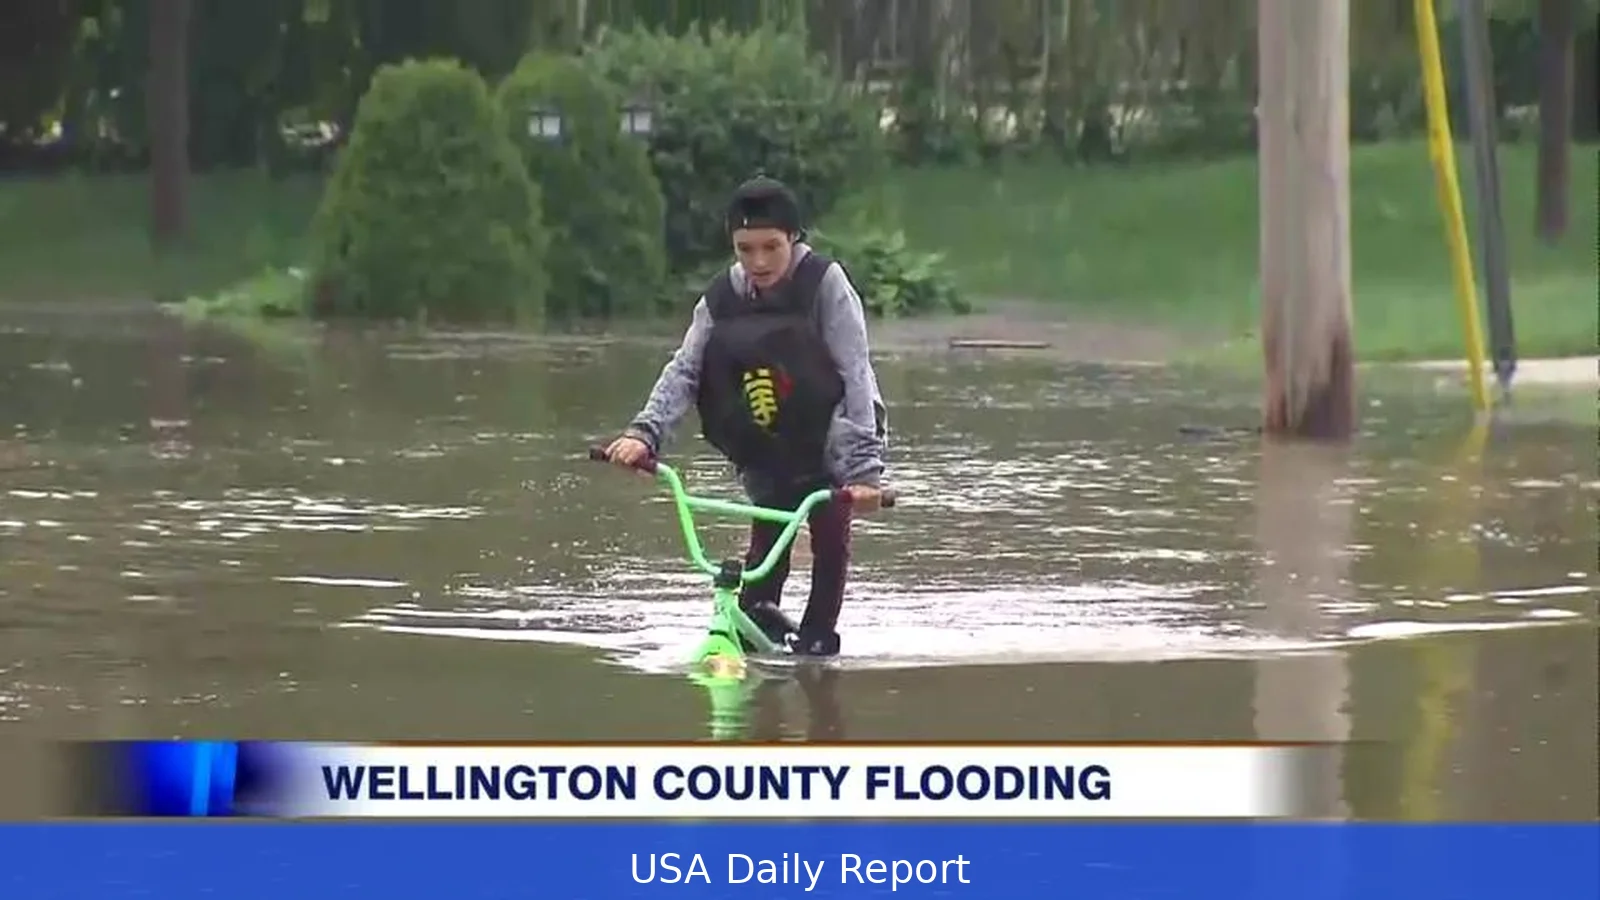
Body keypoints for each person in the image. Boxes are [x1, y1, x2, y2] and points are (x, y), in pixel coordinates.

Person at [602, 176, 888, 657]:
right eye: (745, 249)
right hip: (766, 438)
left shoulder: (825, 284)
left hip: (832, 441)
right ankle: (757, 645)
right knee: (763, 557)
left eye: (771, 247)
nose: (758, 262)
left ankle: (820, 648)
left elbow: (856, 374)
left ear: (793, 238)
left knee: (829, 536)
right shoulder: (721, 297)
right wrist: (644, 435)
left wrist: (865, 474)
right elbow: (685, 370)